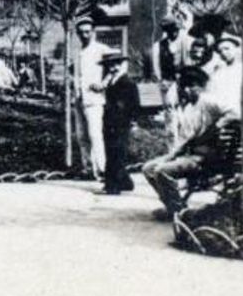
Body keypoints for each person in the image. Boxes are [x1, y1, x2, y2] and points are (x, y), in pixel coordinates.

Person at [142, 67, 230, 217]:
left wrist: (217, 126)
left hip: (205, 158)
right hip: (191, 153)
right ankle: (174, 207)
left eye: (192, 86)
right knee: (148, 168)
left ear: (201, 86)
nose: (188, 90)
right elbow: (186, 138)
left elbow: (234, 113)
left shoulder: (209, 101)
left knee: (161, 171)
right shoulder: (190, 106)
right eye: (185, 86)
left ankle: (178, 211)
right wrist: (172, 155)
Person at [72, 16, 109, 179]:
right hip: (79, 98)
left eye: (87, 32)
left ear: (93, 32)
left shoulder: (101, 49)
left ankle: (101, 169)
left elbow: (119, 65)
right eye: (81, 33)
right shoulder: (77, 52)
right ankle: (86, 168)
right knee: (81, 135)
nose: (84, 35)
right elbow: (75, 73)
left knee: (95, 134)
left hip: (94, 99)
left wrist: (104, 83)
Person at [99, 52, 141, 194]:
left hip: (121, 121)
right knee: (111, 151)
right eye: (110, 65)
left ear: (122, 65)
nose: (113, 68)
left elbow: (134, 104)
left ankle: (114, 185)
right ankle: (124, 181)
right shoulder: (111, 81)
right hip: (110, 120)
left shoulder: (127, 82)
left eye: (116, 64)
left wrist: (133, 121)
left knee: (117, 151)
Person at [203, 33, 243, 116]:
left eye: (227, 49)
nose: (223, 53)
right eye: (220, 51)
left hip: (238, 112)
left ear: (236, 49)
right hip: (221, 111)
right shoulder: (218, 72)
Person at [150, 18, 183, 103]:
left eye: (176, 30)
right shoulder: (158, 46)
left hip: (181, 83)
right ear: (167, 31)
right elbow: (156, 65)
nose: (175, 33)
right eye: (172, 30)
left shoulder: (182, 44)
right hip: (166, 82)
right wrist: (161, 80)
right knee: (169, 104)